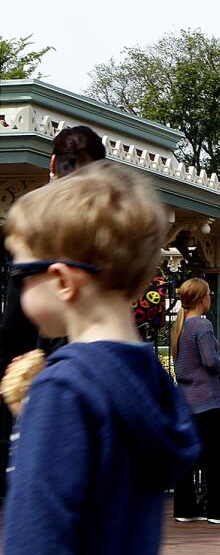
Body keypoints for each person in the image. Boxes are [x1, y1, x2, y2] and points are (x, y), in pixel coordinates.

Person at [0, 162, 200, 555]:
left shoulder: (64, 388)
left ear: (63, 281)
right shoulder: (146, 378)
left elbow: (40, 524)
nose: (17, 290)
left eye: (21, 276)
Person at [0, 125, 107, 500]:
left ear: (51, 164)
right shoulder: (110, 221)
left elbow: (16, 317)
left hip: (40, 361)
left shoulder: (33, 216)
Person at [170, 277, 220, 525]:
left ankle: (185, 506)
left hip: (185, 400)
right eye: (209, 294)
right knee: (216, 457)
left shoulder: (181, 326)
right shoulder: (202, 326)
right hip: (205, 400)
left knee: (189, 456)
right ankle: (218, 508)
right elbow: (209, 361)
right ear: (202, 298)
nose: (211, 298)